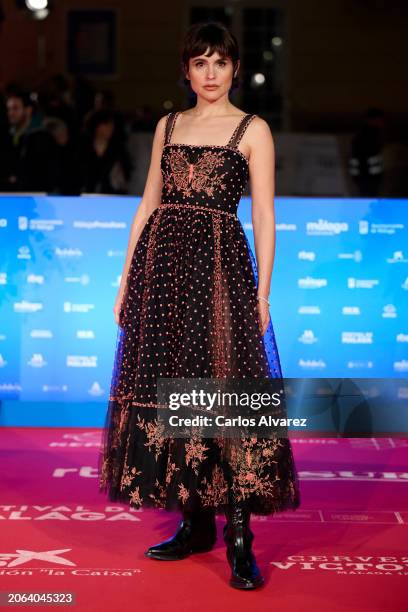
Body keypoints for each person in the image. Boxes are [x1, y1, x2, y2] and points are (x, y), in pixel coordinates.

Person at [98, 21, 301, 590]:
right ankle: (194, 523)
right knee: (174, 392)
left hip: (221, 272)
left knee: (223, 392)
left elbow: (263, 214)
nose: (210, 73)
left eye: (220, 62)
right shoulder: (169, 125)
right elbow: (147, 206)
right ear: (186, 71)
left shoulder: (254, 130)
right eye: (200, 63)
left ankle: (238, 537)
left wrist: (262, 291)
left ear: (235, 69)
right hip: (162, 272)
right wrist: (123, 282)